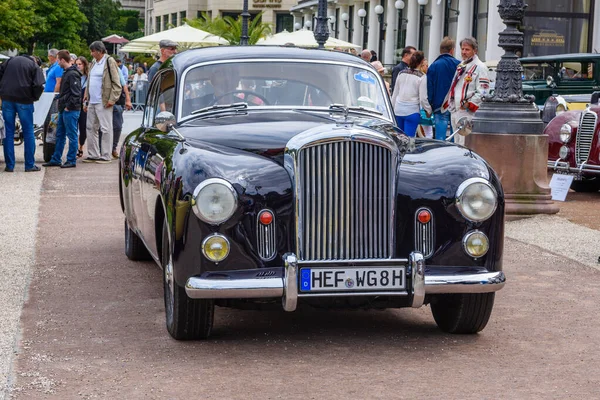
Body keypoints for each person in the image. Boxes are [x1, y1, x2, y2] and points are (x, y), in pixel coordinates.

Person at [0, 54, 46, 172]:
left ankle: (10, 165)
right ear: (35, 60)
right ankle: (29, 165)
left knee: (8, 132)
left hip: (7, 98)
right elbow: (38, 85)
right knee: (28, 131)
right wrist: (34, 97)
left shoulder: (10, 61)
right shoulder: (33, 65)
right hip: (24, 100)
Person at [442, 37, 490, 146]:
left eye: (467, 49)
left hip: (467, 112)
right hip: (455, 110)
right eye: (462, 49)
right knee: (457, 143)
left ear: (475, 51)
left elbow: (484, 92)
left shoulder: (480, 67)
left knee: (465, 144)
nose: (464, 52)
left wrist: (470, 104)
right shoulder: (461, 65)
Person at [82, 40, 122, 163]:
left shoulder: (109, 61)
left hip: (103, 100)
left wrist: (112, 99)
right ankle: (93, 154)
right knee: (90, 127)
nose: (91, 53)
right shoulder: (94, 62)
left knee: (105, 128)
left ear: (99, 51)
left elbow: (116, 82)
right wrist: (86, 96)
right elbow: (90, 81)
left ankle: (106, 155)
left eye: (93, 51)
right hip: (92, 100)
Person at [43, 50, 81, 168]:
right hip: (64, 108)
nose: (57, 62)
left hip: (70, 109)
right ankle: (56, 158)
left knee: (71, 135)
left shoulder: (72, 74)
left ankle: (71, 160)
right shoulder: (67, 72)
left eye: (58, 60)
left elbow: (76, 93)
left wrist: (68, 106)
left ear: (63, 60)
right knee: (59, 134)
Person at [390, 51, 432, 137]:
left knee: (398, 139)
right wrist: (428, 110)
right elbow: (423, 99)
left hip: (398, 110)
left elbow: (395, 94)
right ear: (421, 62)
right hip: (412, 111)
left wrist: (392, 108)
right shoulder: (421, 77)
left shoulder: (401, 73)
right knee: (409, 140)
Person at [427, 37, 460, 140]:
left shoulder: (434, 66)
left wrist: (430, 104)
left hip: (439, 105)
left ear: (440, 50)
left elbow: (429, 87)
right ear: (452, 50)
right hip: (455, 104)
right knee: (455, 135)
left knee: (440, 137)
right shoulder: (459, 65)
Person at [75, 56, 89, 158]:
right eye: (77, 64)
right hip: (75, 103)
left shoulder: (88, 76)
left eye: (80, 64)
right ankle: (76, 147)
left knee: (83, 126)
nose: (78, 66)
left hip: (84, 103)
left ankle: (81, 146)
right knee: (74, 126)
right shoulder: (74, 75)